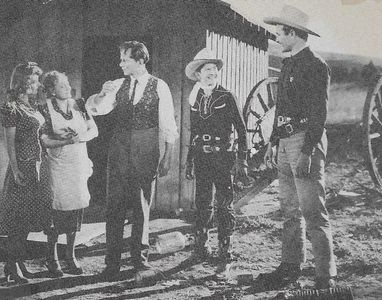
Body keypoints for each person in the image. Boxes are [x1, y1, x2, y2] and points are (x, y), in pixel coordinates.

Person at [86, 40, 178, 278]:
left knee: (141, 204)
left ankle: (140, 260)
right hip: (119, 148)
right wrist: (100, 94)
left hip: (146, 148)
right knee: (114, 204)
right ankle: (112, 263)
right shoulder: (117, 85)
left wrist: (167, 156)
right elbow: (99, 109)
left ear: (140, 60)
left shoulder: (160, 86)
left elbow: (168, 123)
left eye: (125, 59)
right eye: (121, 59)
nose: (121, 64)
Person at [263, 5, 337, 289]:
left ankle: (325, 274)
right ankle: (291, 264)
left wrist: (308, 150)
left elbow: (319, 114)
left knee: (313, 210)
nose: (277, 37)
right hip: (284, 142)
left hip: (305, 141)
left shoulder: (316, 66)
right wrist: (273, 142)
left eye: (280, 32)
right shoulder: (289, 63)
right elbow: (280, 107)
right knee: (289, 208)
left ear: (292, 33)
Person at [184, 48, 248, 274]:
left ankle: (225, 251)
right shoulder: (196, 97)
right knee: (202, 203)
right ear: (199, 75)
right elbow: (194, 133)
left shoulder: (227, 96)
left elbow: (242, 129)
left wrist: (242, 159)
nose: (211, 73)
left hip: (223, 158)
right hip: (202, 157)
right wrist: (189, 161)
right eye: (206, 70)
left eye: (214, 69)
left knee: (224, 204)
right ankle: (201, 247)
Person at [39, 71, 98, 277]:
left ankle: (70, 256)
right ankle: (52, 257)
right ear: (51, 90)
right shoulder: (45, 109)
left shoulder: (79, 105)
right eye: (61, 85)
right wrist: (64, 140)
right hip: (58, 165)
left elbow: (93, 130)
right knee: (57, 210)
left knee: (76, 209)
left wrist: (79, 137)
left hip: (78, 164)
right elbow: (44, 140)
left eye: (67, 84)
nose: (67, 87)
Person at [0, 62, 52, 284]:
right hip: (22, 167)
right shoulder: (11, 107)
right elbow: (9, 141)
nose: (37, 84)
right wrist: (16, 168)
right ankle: (11, 266)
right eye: (33, 80)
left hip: (37, 167)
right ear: (23, 81)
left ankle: (18, 263)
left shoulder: (32, 106)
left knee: (28, 219)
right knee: (18, 221)